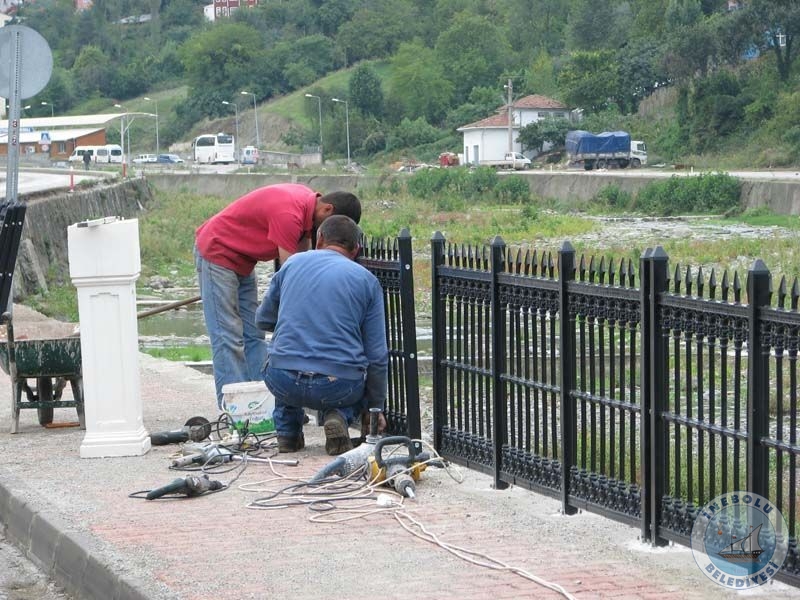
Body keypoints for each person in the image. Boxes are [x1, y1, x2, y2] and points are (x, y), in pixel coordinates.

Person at [194, 184, 361, 409]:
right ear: (327, 210)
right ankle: (236, 412)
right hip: (217, 252)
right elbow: (294, 274)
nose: (329, 236)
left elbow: (305, 261)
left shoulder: (307, 210)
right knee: (228, 336)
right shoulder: (288, 214)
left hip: (243, 261)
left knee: (254, 333)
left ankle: (264, 406)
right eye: (331, 228)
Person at [255, 215, 388, 455]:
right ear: (356, 249)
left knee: (281, 357)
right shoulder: (367, 280)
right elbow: (377, 356)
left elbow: (262, 320)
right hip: (338, 386)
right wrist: (374, 408)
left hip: (282, 380)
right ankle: (339, 415)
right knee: (357, 373)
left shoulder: (292, 264)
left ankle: (287, 434)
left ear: (320, 240)